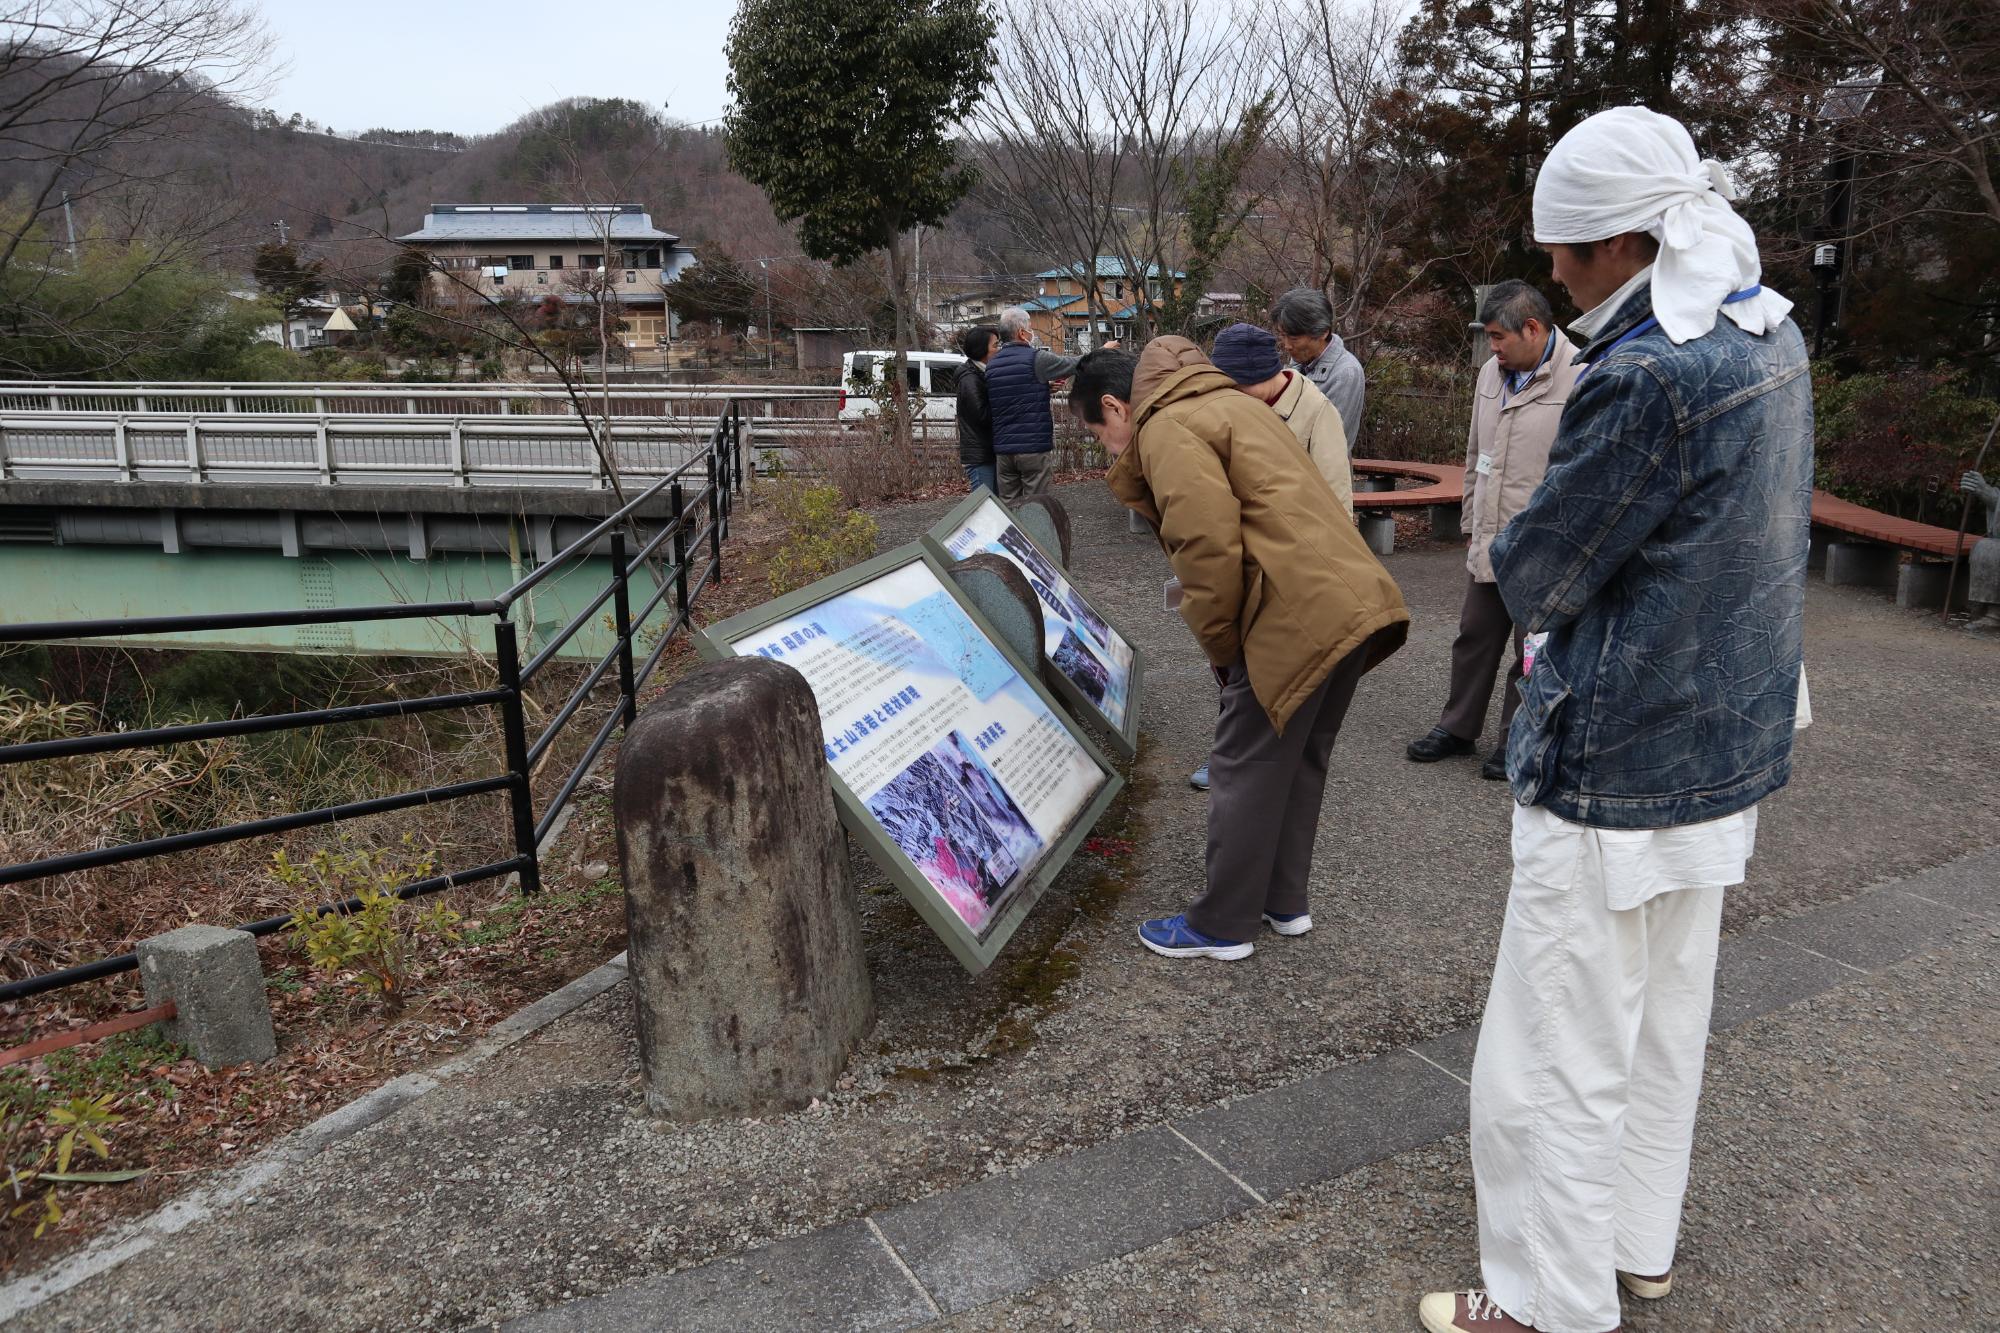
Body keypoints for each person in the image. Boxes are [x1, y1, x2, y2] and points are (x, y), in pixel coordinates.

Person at [1419, 106, 1813, 1333]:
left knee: (1551, 1049)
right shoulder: (1768, 331)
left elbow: (1536, 571)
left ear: (1623, 242)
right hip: (1725, 738)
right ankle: (1635, 1242)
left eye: (1566, 252)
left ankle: (1543, 1302)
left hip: (1616, 756)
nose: (1551, 272)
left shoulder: (1645, 372)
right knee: (1662, 1018)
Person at [1069, 338, 1408, 960]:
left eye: (1098, 436)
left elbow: (1206, 546)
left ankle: (1222, 925)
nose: (1107, 450)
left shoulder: (1167, 427)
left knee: (1242, 767)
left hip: (1292, 612)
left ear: (1116, 408)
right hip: (1351, 598)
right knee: (1297, 759)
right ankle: (1283, 902)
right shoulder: (1229, 402)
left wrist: (1223, 647)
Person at [1406, 281, 1579, 781]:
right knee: (1474, 637)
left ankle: (1515, 738)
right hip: (1490, 537)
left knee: (1533, 650)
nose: (1494, 348)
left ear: (1533, 328)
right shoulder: (1491, 372)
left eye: (1500, 337)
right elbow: (1475, 452)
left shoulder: (1583, 375)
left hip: (1545, 547)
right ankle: (1457, 728)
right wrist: (1467, 519)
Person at [1183, 320, 1358, 792]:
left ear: (1274, 372)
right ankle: (1232, 756)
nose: (1235, 398)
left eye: (1245, 387)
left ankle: (1255, 762)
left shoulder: (1316, 412)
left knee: (1275, 670)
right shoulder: (1223, 408)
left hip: (1294, 568)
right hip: (1236, 560)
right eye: (1228, 387)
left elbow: (1336, 503)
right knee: (1230, 667)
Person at [987, 306, 1106, 501]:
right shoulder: (1036, 358)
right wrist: (1102, 352)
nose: (1031, 332)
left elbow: (1012, 392)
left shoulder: (992, 364)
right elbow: (1073, 363)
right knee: (1036, 505)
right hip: (1032, 446)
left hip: (1003, 449)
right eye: (1030, 327)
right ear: (1021, 332)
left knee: (1009, 505)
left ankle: (1013, 533)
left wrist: (1042, 388)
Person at [1269, 287, 1366, 445]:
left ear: (1323, 333)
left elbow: (1332, 441)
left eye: (1294, 338)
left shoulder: (1346, 373)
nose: (1287, 345)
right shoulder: (1296, 364)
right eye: (1282, 335)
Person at [955, 325, 999, 494]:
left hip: (988, 452)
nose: (999, 349)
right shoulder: (970, 379)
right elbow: (982, 416)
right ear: (982, 350)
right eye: (995, 345)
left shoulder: (983, 373)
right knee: (985, 507)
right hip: (980, 455)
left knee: (997, 507)